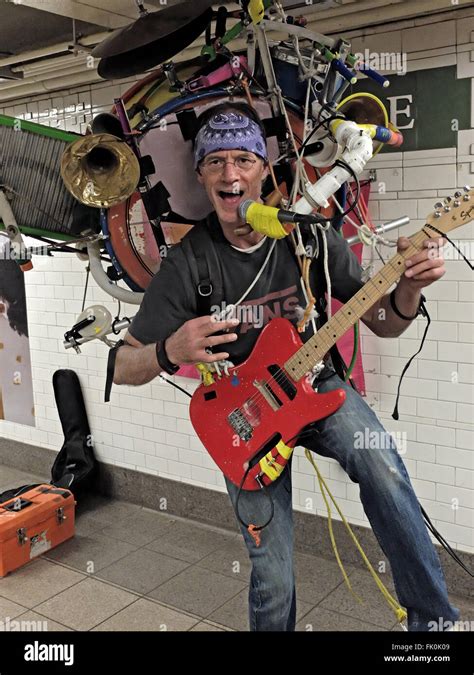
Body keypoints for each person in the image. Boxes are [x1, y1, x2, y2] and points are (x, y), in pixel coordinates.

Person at [114, 101, 460, 632]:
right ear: (203, 175)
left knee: (385, 471)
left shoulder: (310, 236)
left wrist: (408, 285)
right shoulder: (189, 263)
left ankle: (433, 628)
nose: (231, 174)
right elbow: (120, 364)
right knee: (272, 571)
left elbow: (386, 323)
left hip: (317, 391)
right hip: (245, 422)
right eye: (216, 162)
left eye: (244, 160)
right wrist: (168, 351)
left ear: (263, 170)